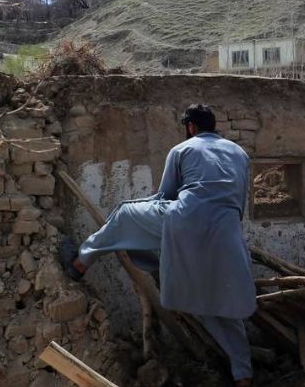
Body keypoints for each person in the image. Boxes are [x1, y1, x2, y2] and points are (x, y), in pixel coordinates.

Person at [60, 104, 256, 387]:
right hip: (227, 233)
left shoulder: (182, 150)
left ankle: (80, 263)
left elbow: (165, 195)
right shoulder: (240, 153)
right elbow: (239, 202)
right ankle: (244, 377)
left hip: (185, 220)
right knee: (224, 309)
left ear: (190, 127)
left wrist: (141, 210)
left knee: (125, 214)